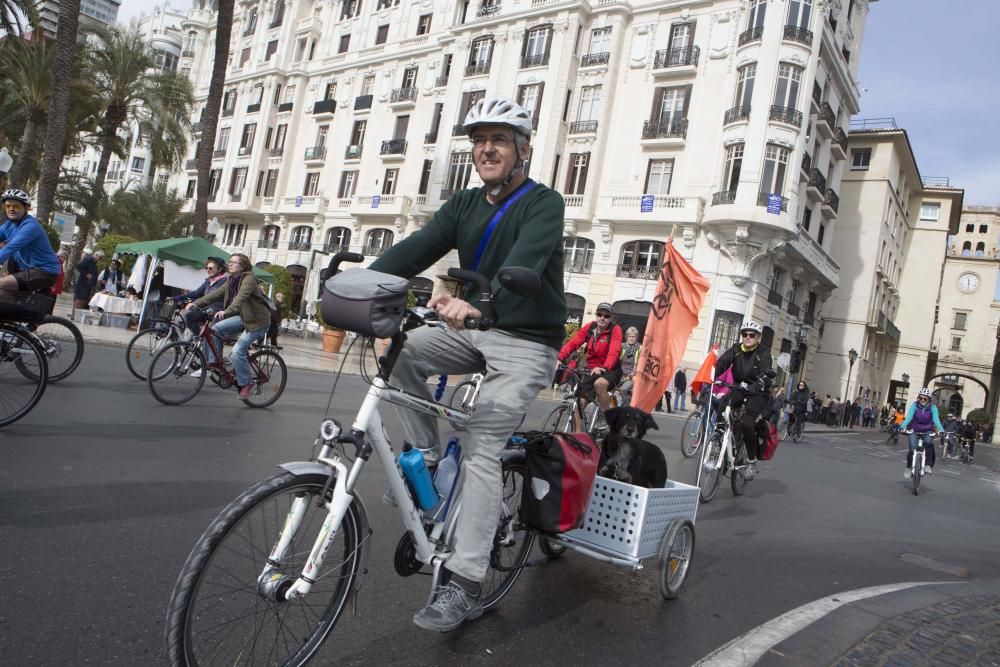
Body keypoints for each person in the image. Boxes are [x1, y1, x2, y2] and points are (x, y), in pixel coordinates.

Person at [368, 96, 566, 632]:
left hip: (525, 341)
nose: (486, 149)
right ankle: (429, 461)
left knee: (482, 447)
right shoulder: (464, 204)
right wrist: (360, 285)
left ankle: (464, 582)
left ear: (523, 149)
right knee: (403, 354)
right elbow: (415, 248)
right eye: (479, 140)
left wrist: (479, 304)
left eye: (498, 139)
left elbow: (525, 261)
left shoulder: (544, 203)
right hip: (476, 331)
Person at [187, 254, 271, 399]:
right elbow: (215, 295)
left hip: (257, 322)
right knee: (215, 329)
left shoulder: (249, 279)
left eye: (234, 262)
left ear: (243, 266)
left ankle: (247, 383)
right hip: (243, 317)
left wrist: (227, 311)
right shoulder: (231, 279)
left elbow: (241, 298)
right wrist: (196, 303)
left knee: (238, 350)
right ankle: (215, 362)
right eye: (229, 262)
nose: (230, 264)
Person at [714, 320, 773, 479]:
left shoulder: (763, 352)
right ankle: (717, 439)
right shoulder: (736, 349)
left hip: (757, 392)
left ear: (758, 337)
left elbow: (767, 371)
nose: (747, 337)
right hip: (740, 387)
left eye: (751, 335)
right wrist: (712, 373)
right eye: (744, 334)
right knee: (724, 405)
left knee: (747, 424)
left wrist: (760, 382)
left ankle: (751, 461)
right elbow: (722, 363)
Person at [558, 302, 623, 429]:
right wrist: (559, 358)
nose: (602, 318)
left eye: (606, 315)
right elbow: (573, 343)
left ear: (611, 318)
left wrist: (604, 368)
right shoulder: (589, 328)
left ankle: (606, 415)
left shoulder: (615, 330)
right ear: (596, 315)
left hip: (611, 369)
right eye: (600, 314)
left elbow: (613, 353)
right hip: (592, 370)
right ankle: (578, 438)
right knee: (578, 405)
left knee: (599, 384)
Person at [0, 189, 61, 294]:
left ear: (26, 208)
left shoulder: (31, 226)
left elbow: (10, 248)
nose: (11, 209)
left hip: (44, 272)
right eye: (8, 206)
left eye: (16, 206)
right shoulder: (9, 225)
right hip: (25, 270)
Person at [174, 256, 228, 339]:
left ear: (220, 269)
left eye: (211, 268)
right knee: (189, 316)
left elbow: (212, 297)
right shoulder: (208, 282)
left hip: (218, 313)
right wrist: (177, 298)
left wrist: (195, 303)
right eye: (206, 268)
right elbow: (196, 293)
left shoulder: (224, 282)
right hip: (207, 311)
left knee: (213, 334)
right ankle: (199, 339)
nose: (208, 270)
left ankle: (209, 344)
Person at [899, 388, 942, 478]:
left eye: (925, 399)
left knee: (929, 443)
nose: (922, 400)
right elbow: (909, 417)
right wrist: (902, 426)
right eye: (920, 398)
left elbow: (936, 419)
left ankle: (927, 465)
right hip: (914, 429)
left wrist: (941, 429)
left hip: (927, 430)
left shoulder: (933, 408)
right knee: (912, 449)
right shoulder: (914, 405)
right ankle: (908, 468)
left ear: (929, 399)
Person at [616, 326, 641, 406]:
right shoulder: (622, 346)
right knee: (606, 387)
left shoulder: (640, 348)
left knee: (623, 389)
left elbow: (639, 364)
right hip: (620, 374)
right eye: (629, 336)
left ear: (636, 338)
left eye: (633, 336)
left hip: (631, 376)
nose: (631, 338)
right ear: (626, 337)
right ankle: (603, 411)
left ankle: (627, 408)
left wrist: (632, 374)